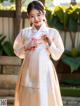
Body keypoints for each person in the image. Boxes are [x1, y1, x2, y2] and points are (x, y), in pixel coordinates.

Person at [13, 1, 64, 106]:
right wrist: (27, 46)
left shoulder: (52, 33)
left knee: (44, 98)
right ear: (28, 16)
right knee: (28, 98)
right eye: (32, 16)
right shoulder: (24, 33)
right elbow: (18, 52)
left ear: (44, 14)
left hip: (45, 72)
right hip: (28, 71)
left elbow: (57, 55)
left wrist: (50, 42)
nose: (35, 19)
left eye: (38, 15)